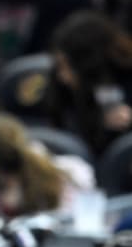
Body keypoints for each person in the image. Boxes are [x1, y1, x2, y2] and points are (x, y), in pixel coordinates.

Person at [46, 10, 132, 156]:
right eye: (60, 66)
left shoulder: (124, 78)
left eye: (69, 67)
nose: (63, 77)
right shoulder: (64, 91)